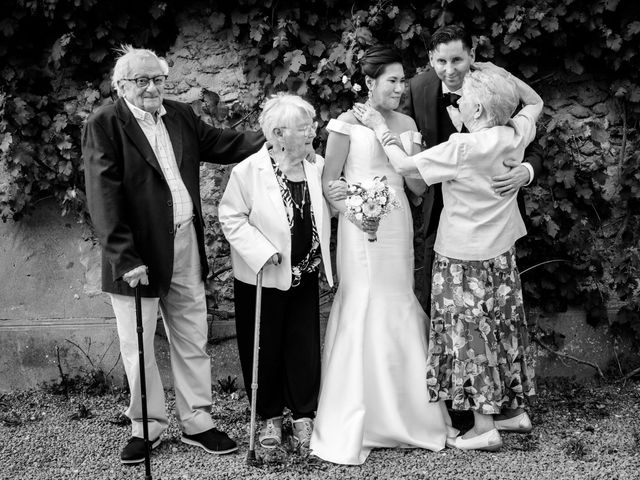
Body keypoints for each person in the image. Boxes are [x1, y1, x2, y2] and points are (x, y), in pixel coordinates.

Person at [82, 45, 264, 464]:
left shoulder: (179, 114)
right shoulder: (106, 123)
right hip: (137, 255)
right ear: (121, 85)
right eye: (141, 80)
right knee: (138, 344)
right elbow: (102, 197)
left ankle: (198, 422)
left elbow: (222, 143)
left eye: (158, 79)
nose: (151, 87)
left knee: (191, 336)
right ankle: (146, 428)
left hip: (184, 244)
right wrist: (124, 258)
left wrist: (270, 137)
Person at [353, 61, 542, 451]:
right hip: (500, 256)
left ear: (476, 110)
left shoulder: (463, 147)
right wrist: (502, 75)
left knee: (470, 336)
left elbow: (406, 166)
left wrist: (379, 127)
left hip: (462, 260)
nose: (458, 101)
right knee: (500, 327)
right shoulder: (514, 133)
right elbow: (535, 101)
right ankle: (511, 412)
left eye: (465, 99)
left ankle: (483, 426)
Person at [309, 46, 450, 465]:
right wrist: (359, 210)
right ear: (369, 83)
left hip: (398, 225)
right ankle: (360, 415)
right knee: (364, 302)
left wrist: (390, 141)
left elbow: (420, 187)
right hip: (359, 232)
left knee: (397, 299)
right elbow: (329, 184)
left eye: (403, 80)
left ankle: (408, 413)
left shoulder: (407, 123)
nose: (400, 87)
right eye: (391, 80)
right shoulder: (342, 126)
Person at [218, 93, 334, 450]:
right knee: (263, 347)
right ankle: (269, 419)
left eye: (310, 125)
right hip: (263, 277)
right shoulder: (249, 171)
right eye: (304, 128)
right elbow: (230, 216)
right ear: (280, 134)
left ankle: (303, 416)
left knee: (303, 346)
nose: (312, 132)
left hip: (305, 273)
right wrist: (261, 251)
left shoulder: (317, 166)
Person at [402, 24, 543, 307]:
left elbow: (535, 144)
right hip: (439, 215)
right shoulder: (417, 89)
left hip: (493, 220)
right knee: (436, 298)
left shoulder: (496, 86)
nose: (449, 70)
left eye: (457, 60)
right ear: (431, 59)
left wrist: (525, 172)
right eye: (441, 61)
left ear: (473, 55)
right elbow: (407, 134)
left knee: (494, 302)